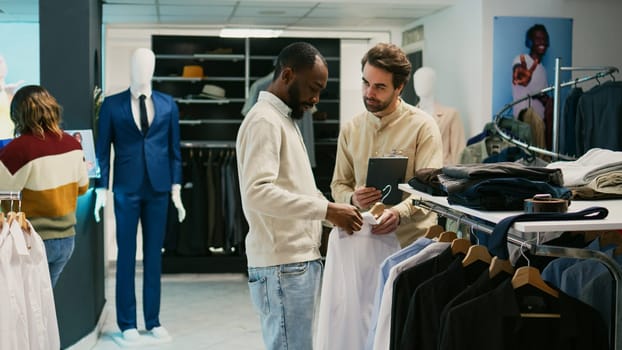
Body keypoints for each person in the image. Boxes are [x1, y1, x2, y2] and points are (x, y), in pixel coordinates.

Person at [236, 41, 363, 350]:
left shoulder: (283, 119)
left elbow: (298, 187)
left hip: (294, 263)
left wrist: (339, 209)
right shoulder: (265, 120)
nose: (316, 99)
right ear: (288, 75)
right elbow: (257, 192)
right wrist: (327, 211)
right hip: (283, 265)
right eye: (312, 88)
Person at [93, 48, 186, 343]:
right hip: (126, 188)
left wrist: (176, 188)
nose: (141, 69)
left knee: (154, 258)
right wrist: (99, 189)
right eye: (137, 64)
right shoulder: (112, 105)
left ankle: (154, 320)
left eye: (147, 64)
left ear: (154, 68)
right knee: (126, 256)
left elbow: (174, 152)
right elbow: (101, 152)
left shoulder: (168, 105)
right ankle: (127, 323)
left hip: (159, 189)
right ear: (131, 67)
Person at [331, 43, 443, 248]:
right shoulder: (350, 129)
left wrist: (399, 213)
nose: (369, 93)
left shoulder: (423, 127)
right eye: (365, 83)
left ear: (399, 87)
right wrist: (352, 198)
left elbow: (430, 189)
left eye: (379, 87)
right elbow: (338, 184)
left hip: (411, 244)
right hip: (362, 242)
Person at [0, 85, 89, 286]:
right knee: (44, 306)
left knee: (24, 309)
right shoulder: (73, 144)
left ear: (18, 114)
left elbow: (3, 192)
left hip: (31, 240)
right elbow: (82, 188)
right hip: (66, 240)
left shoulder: (19, 149)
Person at [413, 66, 465, 166]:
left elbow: (459, 152)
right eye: (417, 80)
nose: (420, 84)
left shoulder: (451, 114)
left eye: (425, 80)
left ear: (433, 83)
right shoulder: (410, 116)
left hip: (442, 173)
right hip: (417, 174)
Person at [512, 24, 551, 123]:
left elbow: (538, 95)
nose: (542, 41)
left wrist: (548, 101)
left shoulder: (542, 69)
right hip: (523, 125)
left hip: (540, 124)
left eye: (544, 38)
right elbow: (518, 70)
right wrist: (520, 75)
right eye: (537, 38)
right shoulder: (521, 60)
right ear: (529, 42)